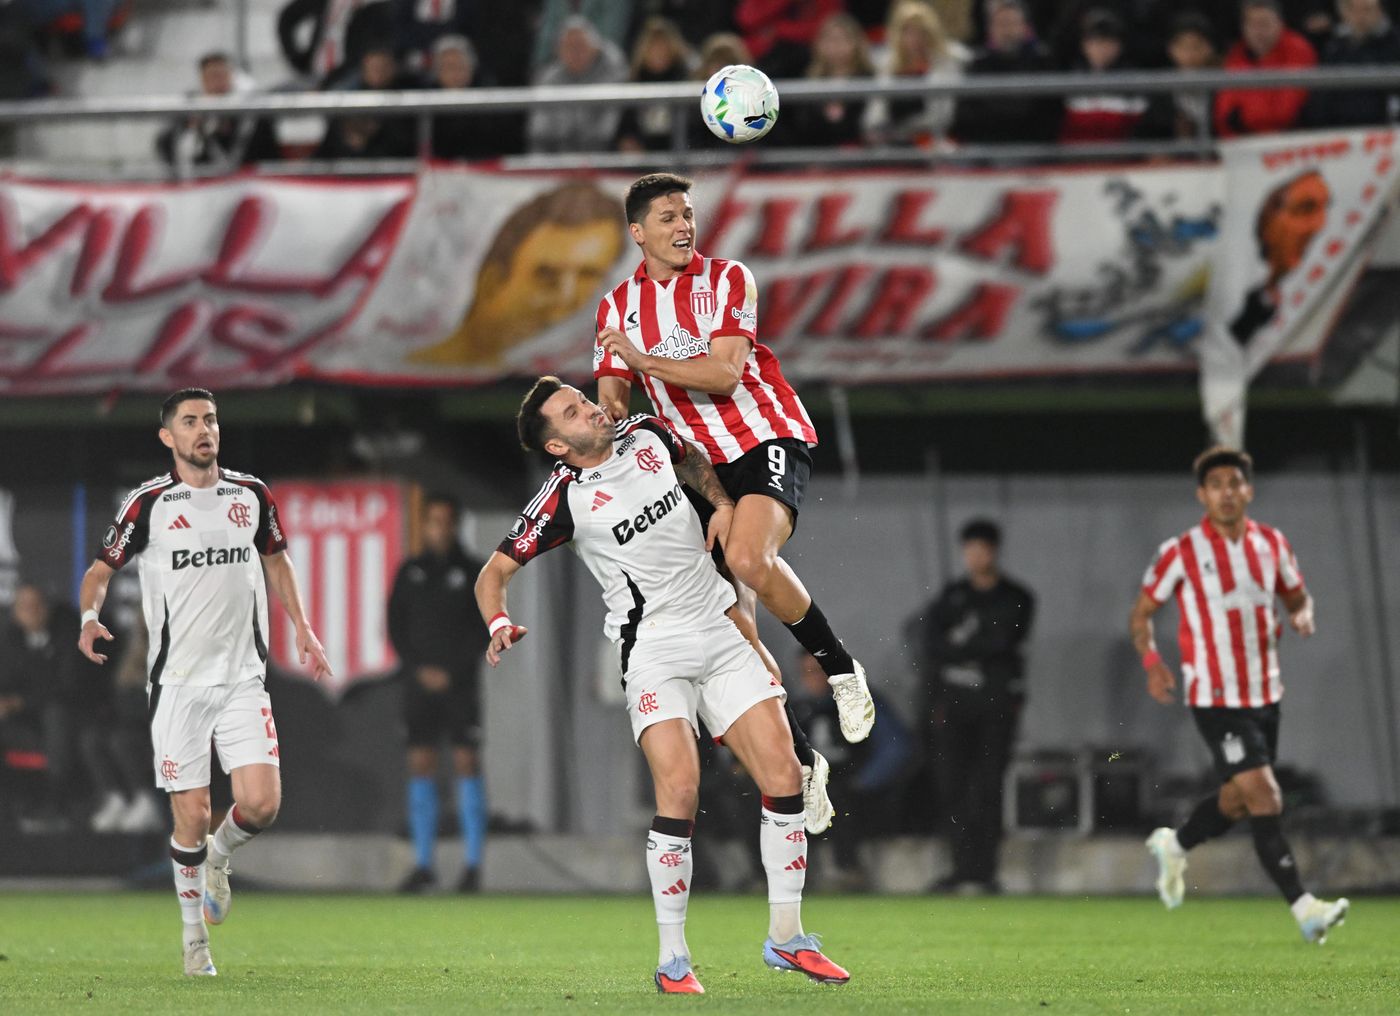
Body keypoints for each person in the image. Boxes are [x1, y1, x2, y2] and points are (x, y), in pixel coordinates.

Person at [477, 377, 850, 994]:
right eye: (572, 410)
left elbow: (694, 460)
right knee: (679, 788)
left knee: (786, 775)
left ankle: (787, 938)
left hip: (720, 626)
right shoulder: (561, 500)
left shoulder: (646, 432)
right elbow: (493, 573)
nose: (590, 407)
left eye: (583, 398)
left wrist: (723, 503)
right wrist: (498, 620)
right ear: (557, 447)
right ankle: (673, 959)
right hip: (653, 649)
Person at [593, 172, 877, 835]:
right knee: (731, 629)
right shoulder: (615, 309)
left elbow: (724, 372)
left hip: (763, 435)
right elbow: (614, 398)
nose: (682, 226)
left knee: (749, 556)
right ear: (638, 233)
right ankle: (804, 762)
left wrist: (642, 361)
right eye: (666, 217)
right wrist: (605, 418)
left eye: (687, 214)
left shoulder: (728, 280)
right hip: (699, 468)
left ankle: (839, 669)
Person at [76, 388, 332, 978]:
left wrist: (303, 628)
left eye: (210, 420)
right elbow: (98, 572)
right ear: (168, 437)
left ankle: (218, 858)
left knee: (262, 804)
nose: (203, 430)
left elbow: (277, 560)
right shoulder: (148, 504)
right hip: (178, 685)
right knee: (191, 813)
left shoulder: (251, 495)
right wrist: (89, 619)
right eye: (189, 422)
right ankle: (195, 942)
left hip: (243, 677)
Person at [1132, 446, 1349, 944]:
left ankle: (1176, 844)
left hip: (1265, 693)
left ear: (1248, 491)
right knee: (1265, 794)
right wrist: (1152, 664)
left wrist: (1303, 613)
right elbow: (1141, 615)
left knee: (1239, 798)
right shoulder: (1181, 551)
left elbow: (1296, 596)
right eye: (1216, 485)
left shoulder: (1272, 544)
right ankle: (1305, 908)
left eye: (1235, 483)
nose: (1227, 493)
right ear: (1201, 495)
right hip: (1214, 697)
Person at [916, 518, 1034, 894]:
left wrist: (962, 647)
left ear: (994, 551)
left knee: (987, 785)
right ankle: (961, 869)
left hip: (995, 703)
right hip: (954, 704)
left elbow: (1004, 641)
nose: (976, 556)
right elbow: (932, 643)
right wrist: (974, 646)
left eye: (983, 548)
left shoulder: (1015, 596)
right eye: (970, 549)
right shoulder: (952, 596)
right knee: (952, 786)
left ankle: (985, 872)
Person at [388, 493, 490, 893]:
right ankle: (424, 864)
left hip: (460, 685)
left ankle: (472, 866)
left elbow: (484, 627)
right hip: (419, 685)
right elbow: (396, 626)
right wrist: (419, 668)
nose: (440, 529)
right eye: (433, 521)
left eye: (447, 521)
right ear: (425, 525)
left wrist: (454, 670)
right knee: (421, 762)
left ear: (456, 524)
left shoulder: (472, 572)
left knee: (466, 761)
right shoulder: (410, 571)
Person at [410, 180, 624, 367]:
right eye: (546, 276)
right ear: (491, 280)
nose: (564, 300)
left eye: (588, 276)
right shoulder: (410, 361)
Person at [789, 651, 913, 890]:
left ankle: (848, 871)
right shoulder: (798, 709)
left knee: (837, 794)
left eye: (818, 671)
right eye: (807, 672)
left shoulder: (861, 702)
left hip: (861, 793)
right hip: (811, 791)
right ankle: (774, 874)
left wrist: (862, 782)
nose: (813, 679)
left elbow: (895, 749)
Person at [1229, 170, 1330, 348]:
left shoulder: (1279, 277)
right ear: (1270, 220)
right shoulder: (1243, 272)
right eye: (1306, 209)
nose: (1319, 225)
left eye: (1324, 208)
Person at [949, 0, 1062, 145]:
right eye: (1001, 24)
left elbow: (1051, 113)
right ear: (990, 29)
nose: (1007, 30)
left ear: (1024, 27)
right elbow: (965, 116)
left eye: (1012, 23)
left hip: (1030, 144)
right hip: (985, 144)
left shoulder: (1042, 62)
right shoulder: (978, 65)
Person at [155, 52, 281, 176]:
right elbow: (167, 146)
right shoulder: (189, 108)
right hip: (205, 181)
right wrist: (192, 129)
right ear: (203, 80)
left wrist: (229, 128)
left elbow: (266, 152)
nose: (217, 83)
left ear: (231, 76)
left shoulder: (250, 110)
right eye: (212, 76)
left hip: (247, 179)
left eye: (222, 75)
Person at [863, 1, 968, 147]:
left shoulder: (947, 62)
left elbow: (945, 115)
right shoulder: (887, 65)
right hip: (892, 140)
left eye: (921, 31)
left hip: (934, 138)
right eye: (908, 31)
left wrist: (912, 129)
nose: (915, 38)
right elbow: (876, 113)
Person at [526, 16, 629, 154]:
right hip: (558, 159)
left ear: (594, 48)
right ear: (559, 50)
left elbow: (609, 130)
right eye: (569, 46)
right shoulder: (549, 79)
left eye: (580, 45)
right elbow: (538, 132)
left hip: (603, 157)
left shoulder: (612, 75)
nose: (575, 53)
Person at [1215, 0, 1317, 138]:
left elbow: (1286, 111)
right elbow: (1225, 114)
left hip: (1290, 140)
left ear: (1280, 24)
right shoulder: (1236, 54)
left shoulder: (1298, 49)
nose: (1259, 31)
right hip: (1244, 141)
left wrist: (1251, 120)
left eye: (1264, 24)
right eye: (1252, 25)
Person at [782, 11, 875, 149]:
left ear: (856, 42)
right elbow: (803, 125)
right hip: (818, 153)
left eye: (841, 39)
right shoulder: (810, 81)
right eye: (829, 40)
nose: (835, 46)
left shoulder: (869, 78)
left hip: (860, 154)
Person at [1303, 0, 1400, 128]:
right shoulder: (1333, 46)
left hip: (1383, 130)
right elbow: (1322, 94)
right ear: (1343, 13)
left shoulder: (1395, 44)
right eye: (1353, 9)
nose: (1360, 16)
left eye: (1367, 9)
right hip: (1336, 130)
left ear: (1380, 11)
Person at [1058, 9, 1146, 144]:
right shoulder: (1071, 80)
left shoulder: (1132, 81)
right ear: (1084, 45)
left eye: (1108, 42)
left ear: (1119, 46)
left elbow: (1137, 129)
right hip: (1076, 158)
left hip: (1121, 158)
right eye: (1095, 42)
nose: (1101, 49)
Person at [615, 16, 695, 153]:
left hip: (681, 154)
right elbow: (625, 128)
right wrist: (628, 142)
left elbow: (695, 126)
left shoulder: (686, 81)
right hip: (643, 158)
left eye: (663, 47)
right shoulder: (634, 83)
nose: (658, 52)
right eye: (653, 47)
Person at [1135, 13, 1219, 142]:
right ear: (1171, 49)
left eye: (1196, 46)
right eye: (1183, 46)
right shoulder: (1160, 91)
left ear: (1209, 48)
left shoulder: (1222, 87)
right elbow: (1147, 135)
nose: (1189, 54)